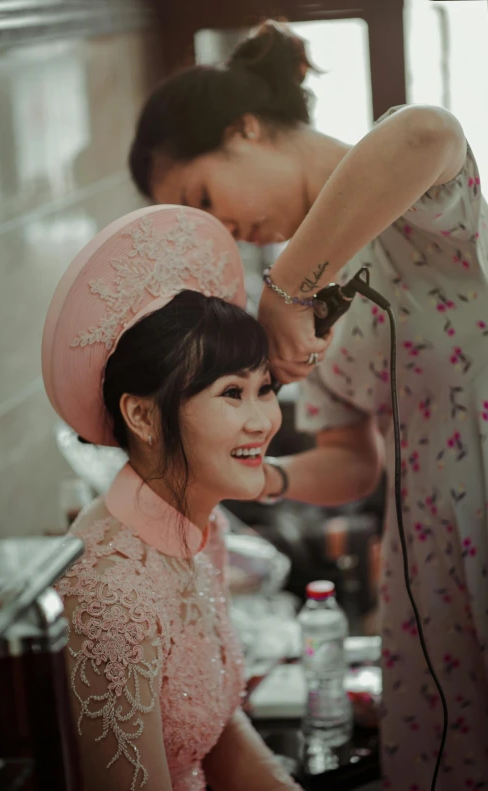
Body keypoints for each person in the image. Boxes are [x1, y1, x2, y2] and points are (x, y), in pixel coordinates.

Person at [128, 20, 488, 788]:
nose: (225, 229)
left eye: (204, 196)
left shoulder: (400, 185)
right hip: (429, 561)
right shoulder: (307, 308)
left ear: (246, 129)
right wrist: (261, 480)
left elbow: (429, 131)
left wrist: (285, 283)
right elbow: (354, 460)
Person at [41, 205, 301, 791]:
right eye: (232, 393)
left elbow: (211, 725)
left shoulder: (200, 526)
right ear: (142, 415)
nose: (262, 419)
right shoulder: (111, 588)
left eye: (265, 389)